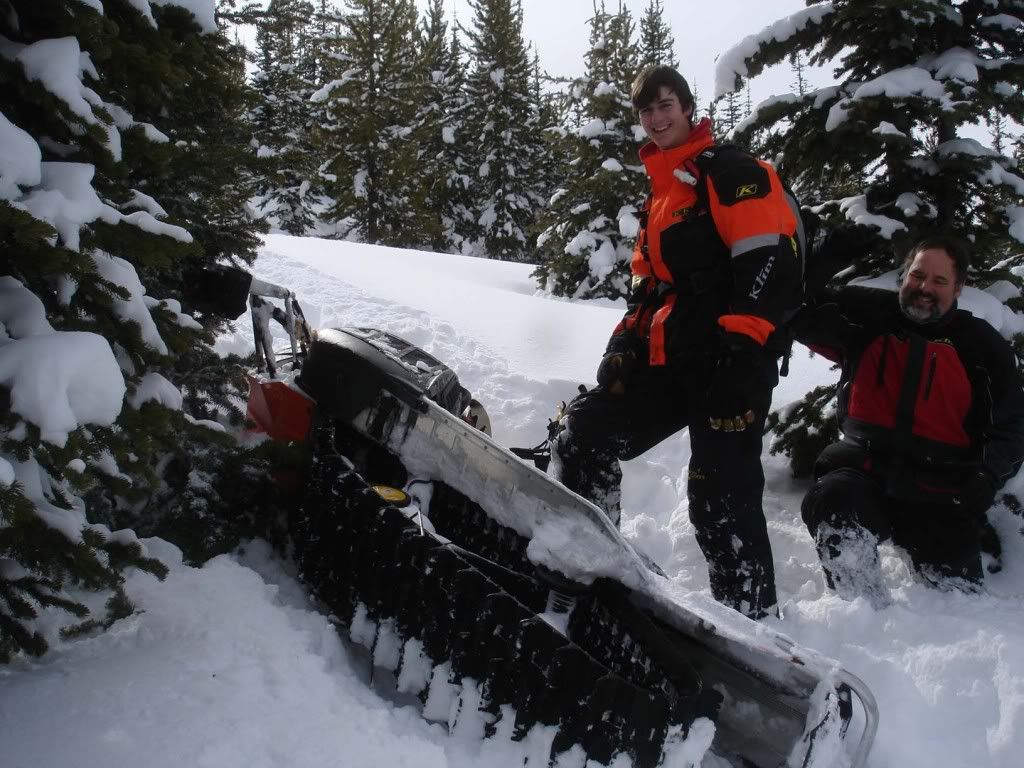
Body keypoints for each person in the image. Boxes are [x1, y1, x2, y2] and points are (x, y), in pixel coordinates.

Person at [548, 65, 805, 620]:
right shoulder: (663, 194)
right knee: (584, 433)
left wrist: (743, 350)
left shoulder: (733, 173)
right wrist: (624, 344)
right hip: (673, 362)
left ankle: (753, 626)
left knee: (721, 502)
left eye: (667, 105)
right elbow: (651, 288)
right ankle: (590, 566)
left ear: (689, 109)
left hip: (731, 366)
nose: (658, 117)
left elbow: (770, 262)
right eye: (647, 110)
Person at [792, 237, 1024, 605]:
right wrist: (825, 261)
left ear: (959, 287)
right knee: (832, 498)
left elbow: (1012, 428)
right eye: (917, 276)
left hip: (941, 492)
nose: (924, 288)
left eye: (939, 281)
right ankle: (860, 612)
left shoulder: (982, 346)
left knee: (958, 607)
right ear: (905, 276)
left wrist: (986, 477)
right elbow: (797, 312)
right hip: (863, 470)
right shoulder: (867, 314)